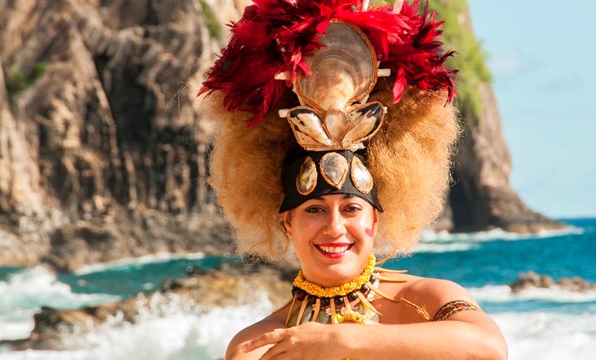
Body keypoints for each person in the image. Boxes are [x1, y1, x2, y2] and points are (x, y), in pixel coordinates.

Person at [199, 0, 508, 358]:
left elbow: (488, 349)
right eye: (314, 209)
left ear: (374, 219)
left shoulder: (427, 300)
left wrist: (338, 340)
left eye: (351, 208)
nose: (334, 227)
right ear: (287, 223)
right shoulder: (261, 342)